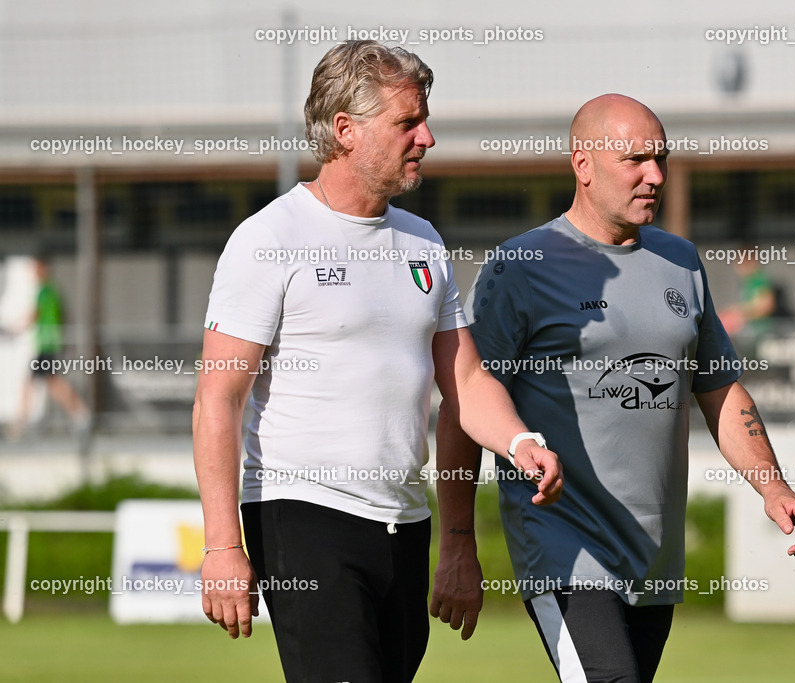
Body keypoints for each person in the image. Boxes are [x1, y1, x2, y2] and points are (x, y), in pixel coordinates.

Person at [192, 40, 562, 683]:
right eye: (407, 123)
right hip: (302, 515)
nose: (427, 137)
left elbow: (466, 379)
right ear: (345, 130)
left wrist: (518, 441)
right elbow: (216, 400)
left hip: (402, 522)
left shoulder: (423, 242)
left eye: (424, 119)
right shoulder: (268, 239)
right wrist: (224, 546)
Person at [430, 94, 795, 683]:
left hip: (653, 557)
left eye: (661, 158)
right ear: (582, 165)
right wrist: (458, 540)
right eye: (635, 159)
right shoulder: (523, 265)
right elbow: (467, 397)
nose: (655, 176)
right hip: (564, 548)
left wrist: (772, 485)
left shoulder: (681, 260)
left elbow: (718, 388)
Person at [8, 254, 91, 441]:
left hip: (48, 344)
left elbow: (33, 316)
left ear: (43, 267)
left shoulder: (46, 291)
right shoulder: (52, 291)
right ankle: (80, 415)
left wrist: (13, 330)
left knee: (43, 384)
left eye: (35, 267)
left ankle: (22, 424)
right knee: (48, 384)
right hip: (50, 344)